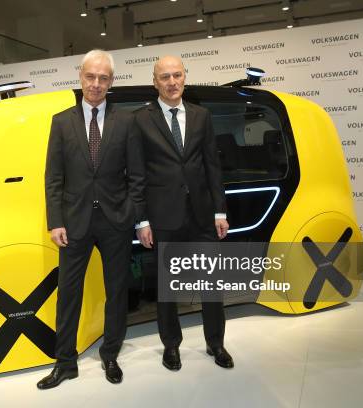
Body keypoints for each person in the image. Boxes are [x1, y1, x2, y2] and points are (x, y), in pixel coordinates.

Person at [38, 49, 145, 389]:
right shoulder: (61, 121)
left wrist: (132, 214)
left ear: (110, 82)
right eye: (91, 76)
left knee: (117, 292)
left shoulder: (126, 121)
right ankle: (65, 362)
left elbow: (137, 176)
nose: (96, 84)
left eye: (103, 78)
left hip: (116, 221)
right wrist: (55, 221)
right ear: (80, 75)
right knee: (69, 294)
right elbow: (53, 177)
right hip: (73, 224)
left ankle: (110, 354)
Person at [135, 56, 234, 370]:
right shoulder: (140, 119)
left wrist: (220, 211)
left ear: (184, 78)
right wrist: (143, 220)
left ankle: (215, 344)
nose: (172, 81)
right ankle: (171, 347)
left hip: (202, 214)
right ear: (155, 82)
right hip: (163, 216)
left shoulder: (201, 115)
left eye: (177, 75)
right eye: (165, 76)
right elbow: (136, 173)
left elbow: (211, 166)